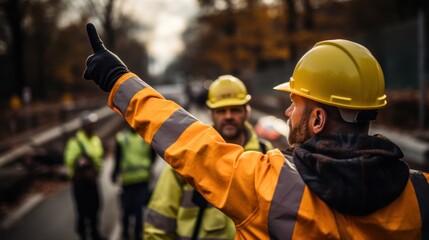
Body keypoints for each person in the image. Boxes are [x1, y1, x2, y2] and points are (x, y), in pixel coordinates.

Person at [83, 23, 429, 239]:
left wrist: (118, 80)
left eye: (296, 103)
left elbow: (188, 142)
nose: (288, 111)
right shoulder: (420, 194)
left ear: (318, 120)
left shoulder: (268, 185)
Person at [144, 75, 273, 239]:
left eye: (235, 109)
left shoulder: (266, 155)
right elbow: (157, 226)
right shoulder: (189, 155)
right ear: (211, 113)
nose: (228, 116)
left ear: (247, 112)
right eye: (221, 111)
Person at [64, 111, 105, 240]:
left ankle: (95, 233)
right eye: (89, 124)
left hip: (93, 180)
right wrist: (79, 162)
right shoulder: (75, 142)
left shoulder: (96, 139)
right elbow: (69, 160)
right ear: (83, 126)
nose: (92, 127)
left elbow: (99, 157)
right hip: (80, 183)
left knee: (96, 207)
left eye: (93, 124)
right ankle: (82, 235)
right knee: (82, 211)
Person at [111, 126, 157, 240]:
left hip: (129, 181)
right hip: (141, 179)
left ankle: (126, 233)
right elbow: (153, 155)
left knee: (127, 209)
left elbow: (118, 159)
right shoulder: (145, 137)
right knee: (138, 210)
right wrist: (147, 167)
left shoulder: (121, 138)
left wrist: (114, 174)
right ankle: (137, 234)